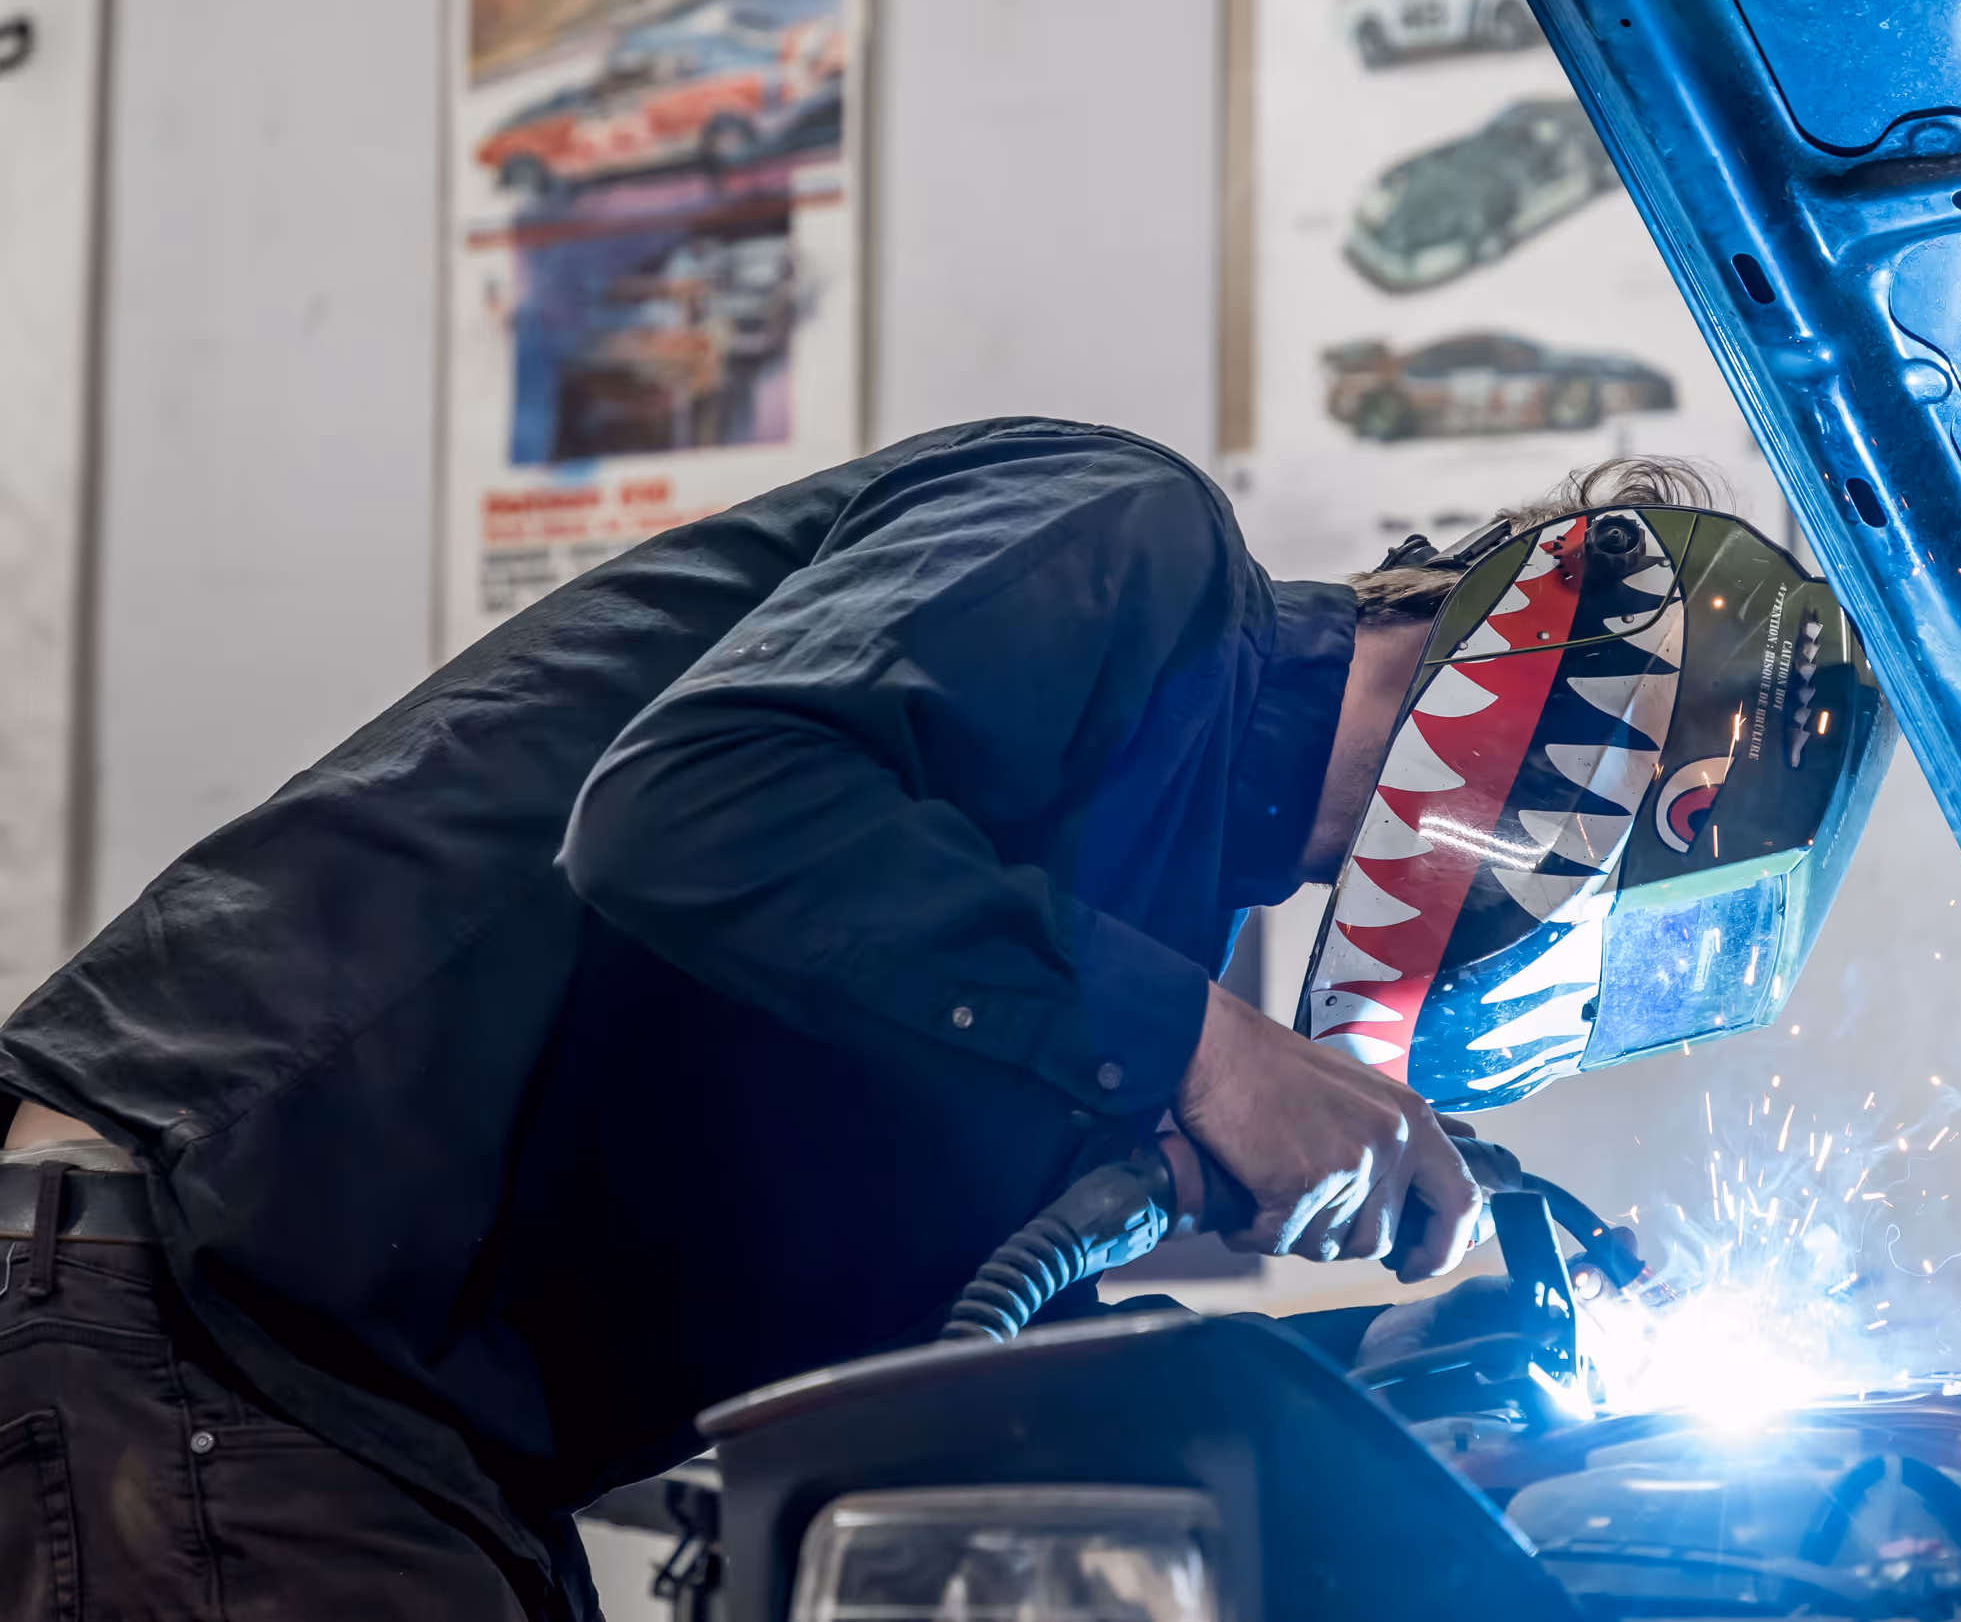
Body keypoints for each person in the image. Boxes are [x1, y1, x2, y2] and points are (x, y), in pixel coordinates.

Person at [0, 420, 1705, 1620]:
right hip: (208, 1308)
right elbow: (683, 801)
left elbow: (910, 1325)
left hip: (392, 1428)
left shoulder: (1128, 919)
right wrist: (1200, 1046)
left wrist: (1367, 1394)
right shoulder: (1132, 538)